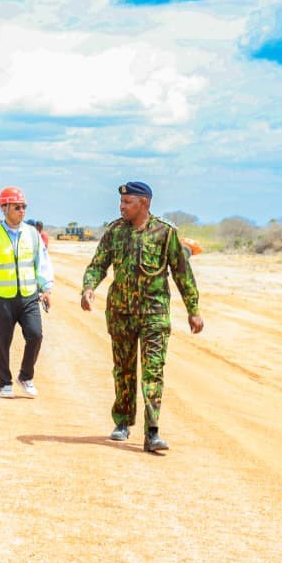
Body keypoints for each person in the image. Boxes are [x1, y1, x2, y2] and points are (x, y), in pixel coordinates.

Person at [81, 181, 204, 453]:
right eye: (121, 202)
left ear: (144, 203)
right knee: (123, 370)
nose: (122, 207)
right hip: (121, 313)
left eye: (128, 202)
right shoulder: (114, 232)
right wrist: (89, 287)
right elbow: (98, 263)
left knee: (153, 371)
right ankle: (123, 421)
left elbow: (182, 272)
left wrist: (193, 309)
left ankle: (152, 431)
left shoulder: (165, 233)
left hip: (154, 314)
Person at [0, 186, 54, 398]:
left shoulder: (33, 234)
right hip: (3, 298)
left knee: (35, 335)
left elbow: (42, 262)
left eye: (23, 207)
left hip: (28, 296)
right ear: (5, 208)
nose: (22, 211)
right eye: (17, 207)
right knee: (3, 341)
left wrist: (46, 288)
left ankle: (25, 376)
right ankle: (5, 383)